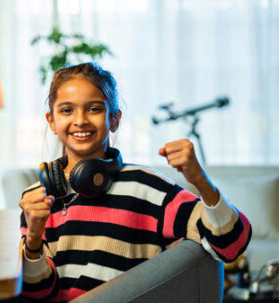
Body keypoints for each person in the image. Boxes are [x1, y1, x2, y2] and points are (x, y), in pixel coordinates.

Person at [17, 62, 252, 302]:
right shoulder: (37, 198)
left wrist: (200, 180)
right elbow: (38, 291)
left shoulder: (146, 187)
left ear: (114, 119)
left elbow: (233, 244)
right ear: (52, 121)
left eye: (94, 109)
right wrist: (33, 236)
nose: (80, 120)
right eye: (67, 110)